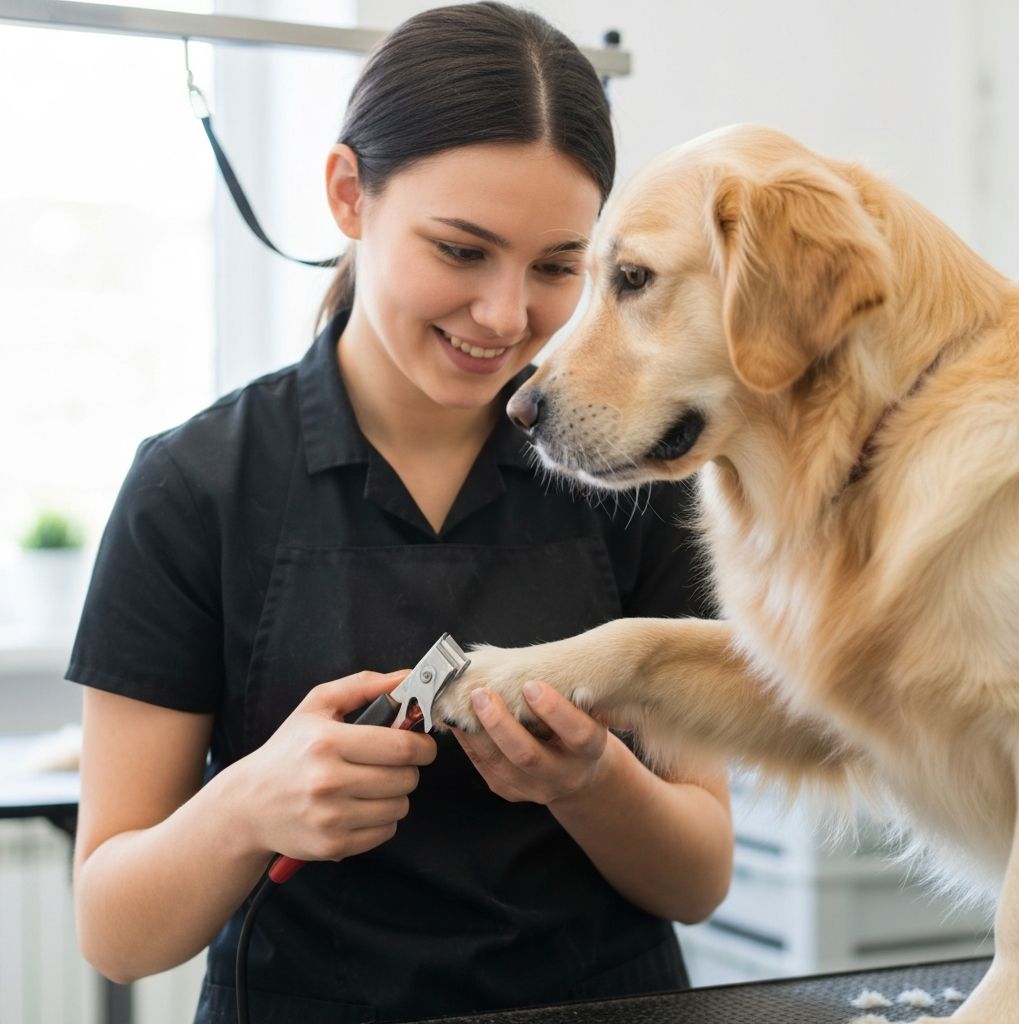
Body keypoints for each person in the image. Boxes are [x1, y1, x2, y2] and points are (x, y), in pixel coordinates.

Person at [68, 4, 734, 1022]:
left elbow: (697, 878)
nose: (508, 316)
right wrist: (253, 805)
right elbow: (116, 929)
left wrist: (590, 779)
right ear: (349, 194)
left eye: (558, 266)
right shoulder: (192, 487)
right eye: (462, 251)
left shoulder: (636, 483)